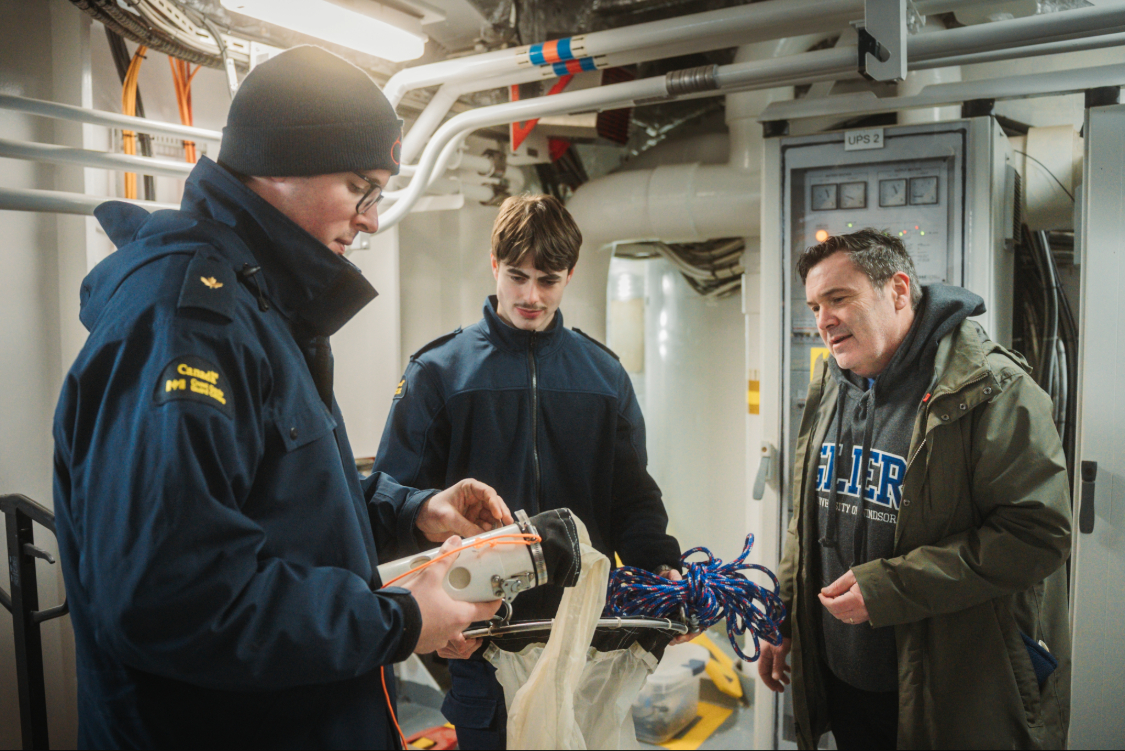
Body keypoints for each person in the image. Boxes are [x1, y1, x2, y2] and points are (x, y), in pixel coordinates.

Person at [53, 46, 512, 749]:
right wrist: (400, 618)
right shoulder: (188, 327)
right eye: (360, 188)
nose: (371, 220)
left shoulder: (260, 309)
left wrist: (413, 512)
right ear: (277, 167)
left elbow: (281, 505)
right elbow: (173, 599)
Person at [374, 194, 684, 749]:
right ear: (494, 264)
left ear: (570, 274)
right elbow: (397, 503)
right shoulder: (438, 373)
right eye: (517, 276)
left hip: (585, 642)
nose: (531, 296)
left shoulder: (604, 376)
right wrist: (424, 615)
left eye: (548, 280)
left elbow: (632, 498)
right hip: (481, 641)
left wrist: (662, 572)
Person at [757, 229, 1072, 749]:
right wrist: (785, 616)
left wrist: (889, 588)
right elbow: (806, 520)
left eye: (839, 298)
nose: (823, 320)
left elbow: (1037, 535)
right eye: (815, 306)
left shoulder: (991, 389)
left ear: (898, 290)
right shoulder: (831, 385)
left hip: (948, 692)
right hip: (845, 677)